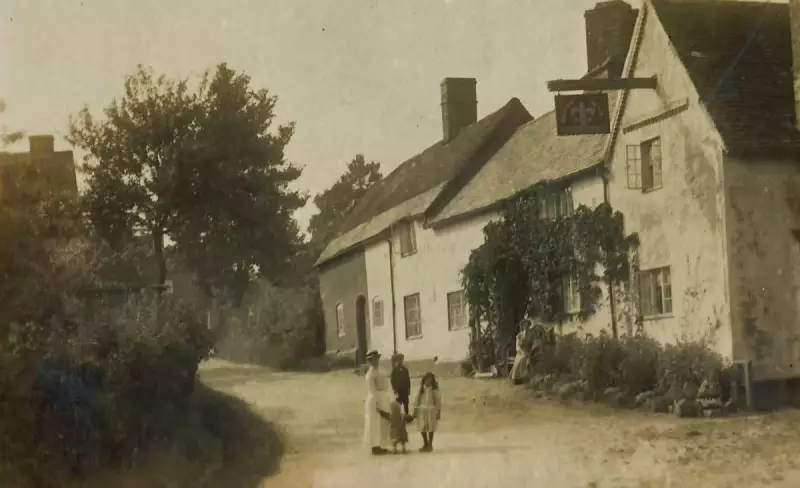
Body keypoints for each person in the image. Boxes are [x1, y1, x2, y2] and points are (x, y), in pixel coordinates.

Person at [363, 350, 392, 455]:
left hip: (383, 397)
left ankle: (381, 445)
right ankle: (374, 446)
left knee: (383, 423)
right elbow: (372, 389)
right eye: (373, 360)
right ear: (369, 361)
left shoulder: (381, 370)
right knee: (374, 423)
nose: (375, 362)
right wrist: (378, 404)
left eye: (376, 359)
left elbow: (387, 383)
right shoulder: (370, 374)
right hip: (374, 399)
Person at [413, 372, 442, 452]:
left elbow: (438, 401)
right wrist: (415, 410)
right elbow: (417, 399)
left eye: (430, 379)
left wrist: (438, 411)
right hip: (422, 409)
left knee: (430, 427)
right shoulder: (421, 389)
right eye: (426, 379)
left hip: (431, 409)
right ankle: (425, 443)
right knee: (422, 427)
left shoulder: (434, 389)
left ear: (432, 380)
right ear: (424, 380)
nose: (428, 381)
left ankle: (430, 444)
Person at [508, 319, 533, 385]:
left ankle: (524, 378)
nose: (525, 326)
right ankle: (516, 379)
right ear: (522, 326)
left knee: (525, 359)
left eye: (527, 324)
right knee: (518, 361)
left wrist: (531, 350)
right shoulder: (519, 335)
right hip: (520, 352)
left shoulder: (532, 334)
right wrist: (522, 351)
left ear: (529, 325)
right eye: (524, 325)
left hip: (529, 351)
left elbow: (535, 343)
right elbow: (517, 346)